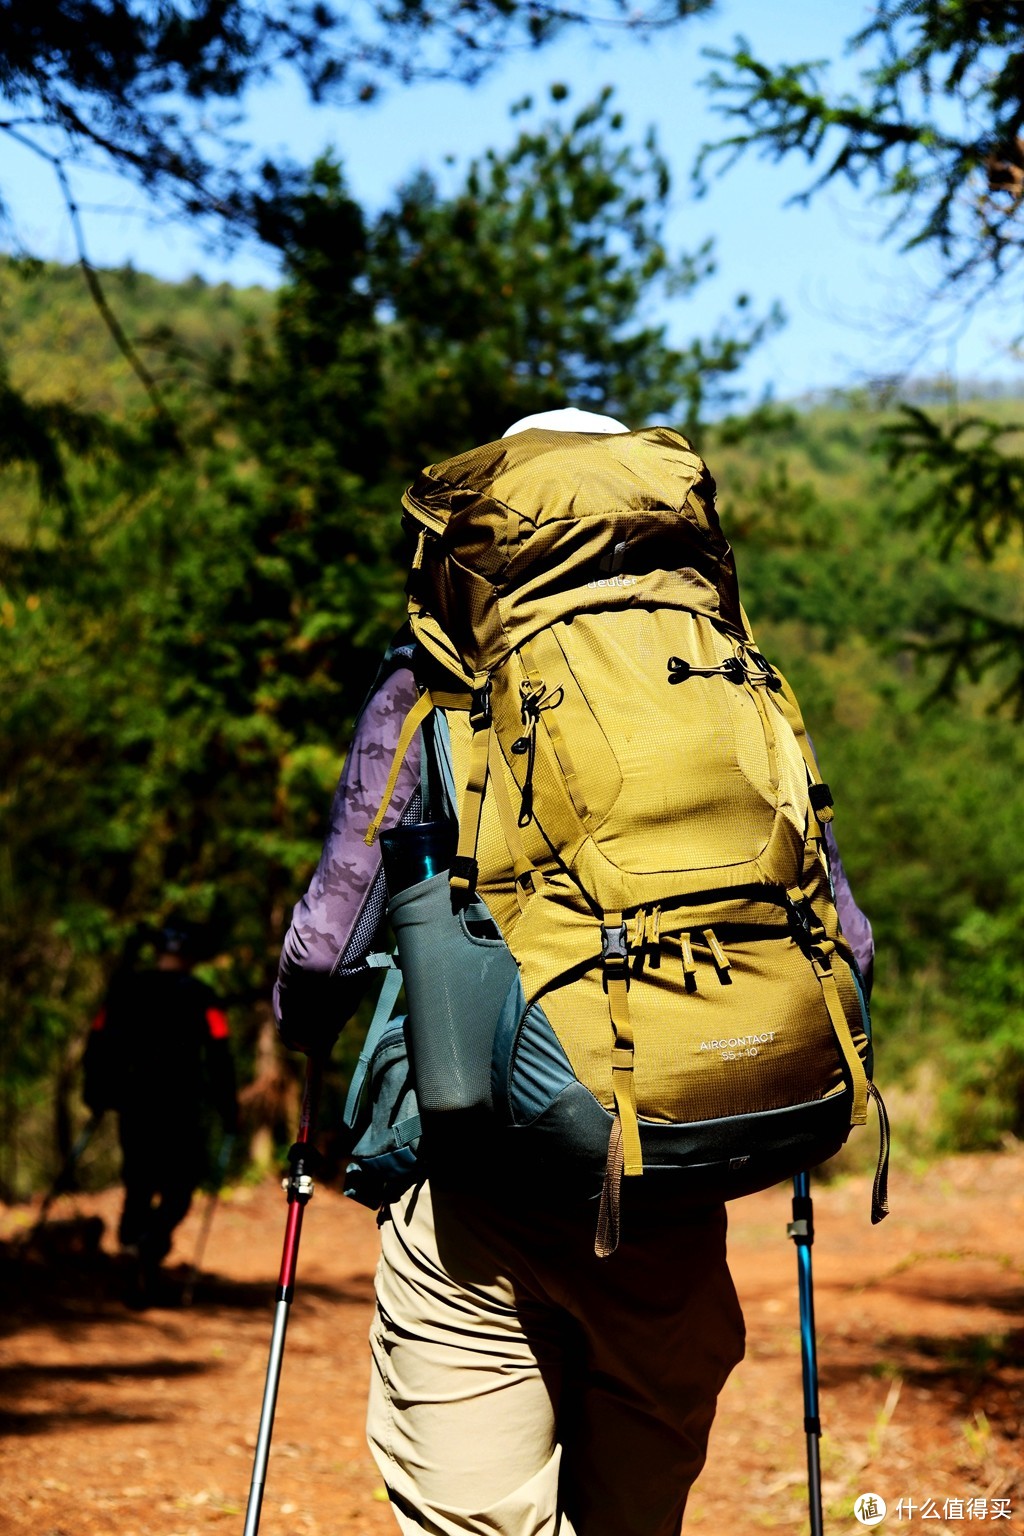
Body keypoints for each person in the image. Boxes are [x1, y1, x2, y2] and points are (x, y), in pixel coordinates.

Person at [274, 408, 875, 1535]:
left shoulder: (431, 691)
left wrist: (305, 1031)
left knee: (478, 1520)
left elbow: (325, 947)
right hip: (674, 1172)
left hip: (484, 1193)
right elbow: (847, 945)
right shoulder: (735, 683)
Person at [84, 924, 238, 1301]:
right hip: (181, 1107)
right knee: (178, 1190)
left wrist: (97, 1095)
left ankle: (135, 1249)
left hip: (134, 1104)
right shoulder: (203, 997)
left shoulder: (125, 991)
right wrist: (228, 1108)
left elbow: (98, 1041)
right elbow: (219, 1055)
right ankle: (148, 1248)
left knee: (138, 1182)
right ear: (189, 958)